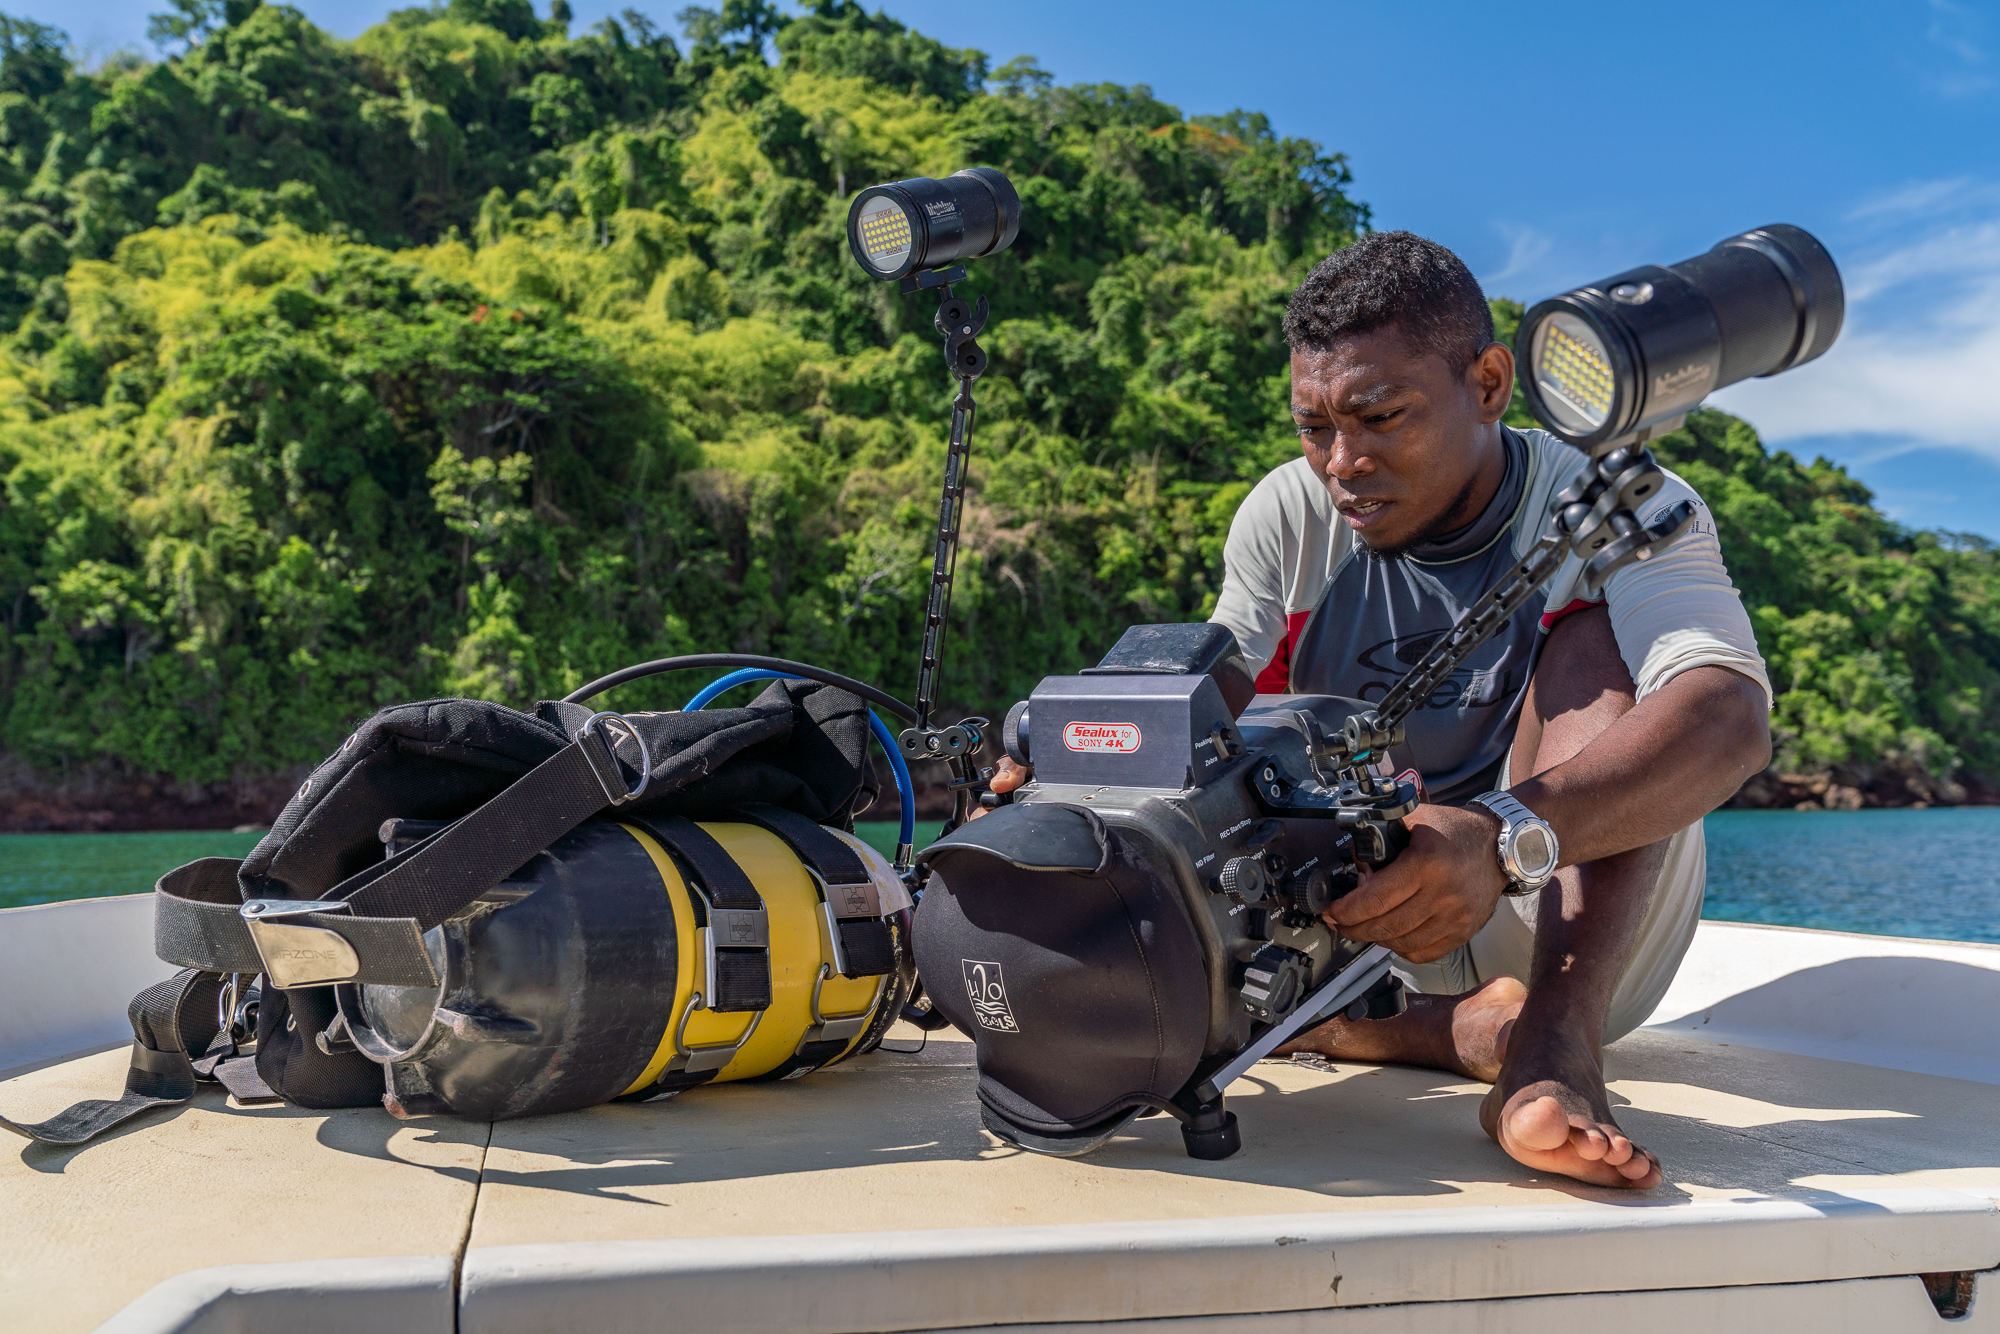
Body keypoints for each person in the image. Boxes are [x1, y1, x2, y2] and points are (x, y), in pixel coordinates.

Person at [988, 231, 1772, 1189]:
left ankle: (1550, 1044)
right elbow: (1208, 695)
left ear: (1488, 384)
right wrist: (1067, 778)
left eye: (1380, 416)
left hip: (1559, 909)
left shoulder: (1611, 502)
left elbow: (1728, 717)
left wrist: (1498, 835)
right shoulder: (1287, 516)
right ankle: (1451, 1028)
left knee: (1602, 644)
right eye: (1314, 428)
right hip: (1359, 932)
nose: (1342, 462)